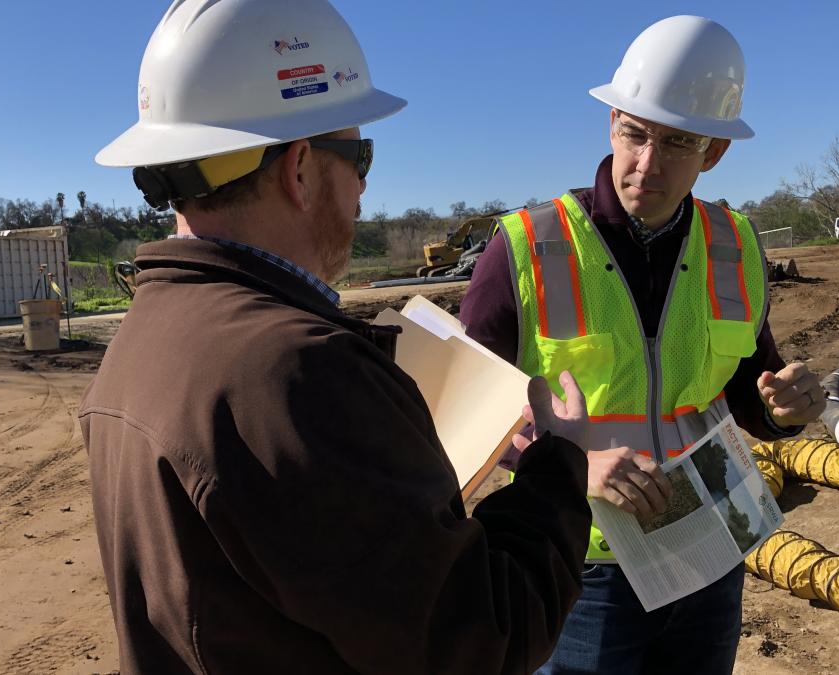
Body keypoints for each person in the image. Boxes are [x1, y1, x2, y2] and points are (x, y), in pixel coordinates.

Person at [81, 1, 595, 673]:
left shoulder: (145, 338)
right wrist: (558, 466)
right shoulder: (296, 375)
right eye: (361, 156)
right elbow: (480, 641)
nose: (361, 191)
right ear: (299, 168)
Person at [459, 15, 827, 674]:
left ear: (713, 151)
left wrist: (783, 406)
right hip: (585, 560)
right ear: (612, 122)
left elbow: (748, 385)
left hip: (710, 539)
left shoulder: (735, 245)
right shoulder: (524, 248)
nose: (646, 164)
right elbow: (464, 413)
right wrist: (575, 462)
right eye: (635, 133)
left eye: (677, 143)